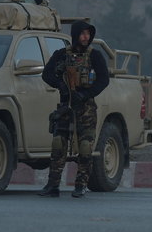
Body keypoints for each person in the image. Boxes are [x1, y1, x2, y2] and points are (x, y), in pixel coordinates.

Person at [39, 20, 109, 198]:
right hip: (66, 107)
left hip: (86, 108)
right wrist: (60, 85)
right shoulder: (62, 54)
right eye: (82, 34)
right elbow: (46, 74)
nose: (86, 37)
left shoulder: (95, 56)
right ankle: (52, 185)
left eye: (88, 34)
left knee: (85, 147)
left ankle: (81, 185)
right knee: (58, 145)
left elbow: (103, 80)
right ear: (75, 35)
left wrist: (86, 94)